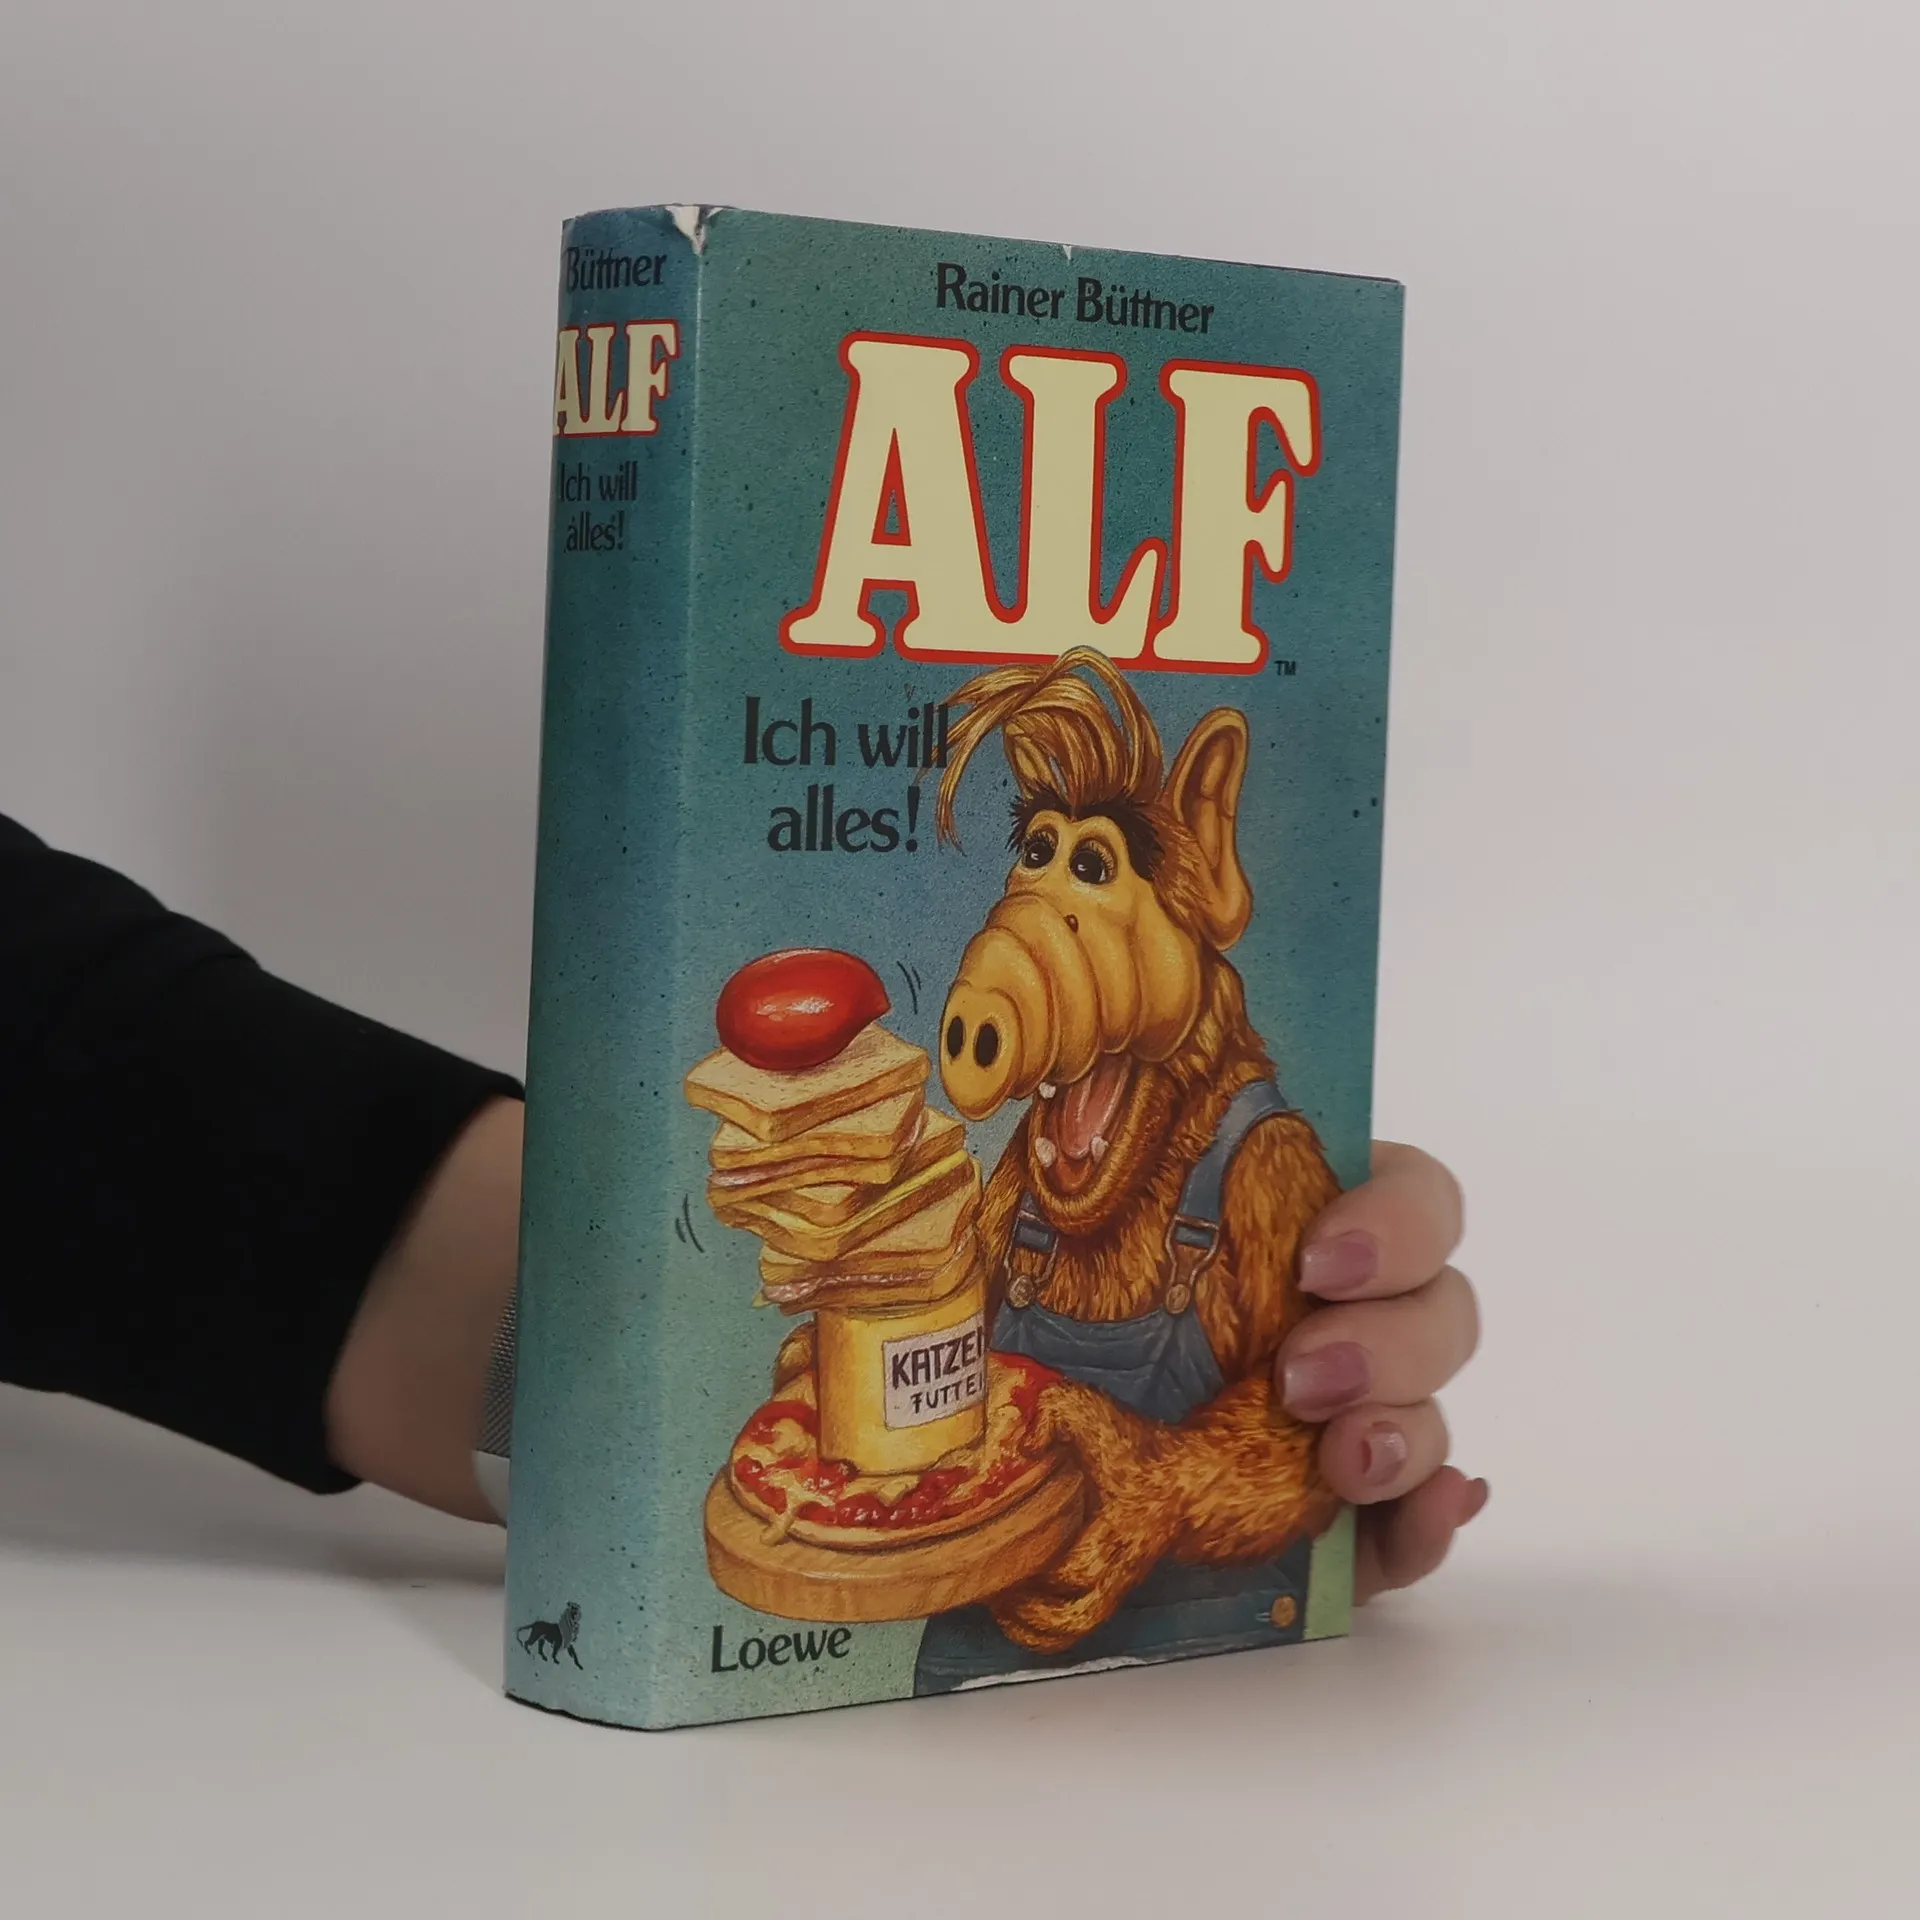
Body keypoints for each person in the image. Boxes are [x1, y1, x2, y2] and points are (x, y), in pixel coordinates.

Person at [0, 810, 1484, 1602]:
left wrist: (1258, 1491)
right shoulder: (1010, 1175)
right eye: (1037, 856)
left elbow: (74, 1067)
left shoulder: (1235, 1169)